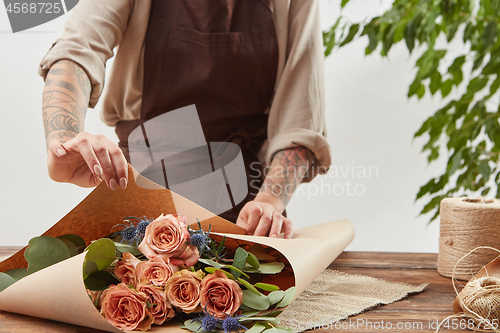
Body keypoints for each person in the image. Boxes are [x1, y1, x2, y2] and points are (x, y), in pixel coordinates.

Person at [39, 0, 331, 239]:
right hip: (138, 206)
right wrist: (64, 140)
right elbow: (77, 51)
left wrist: (269, 203)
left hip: (244, 220)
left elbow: (300, 120)